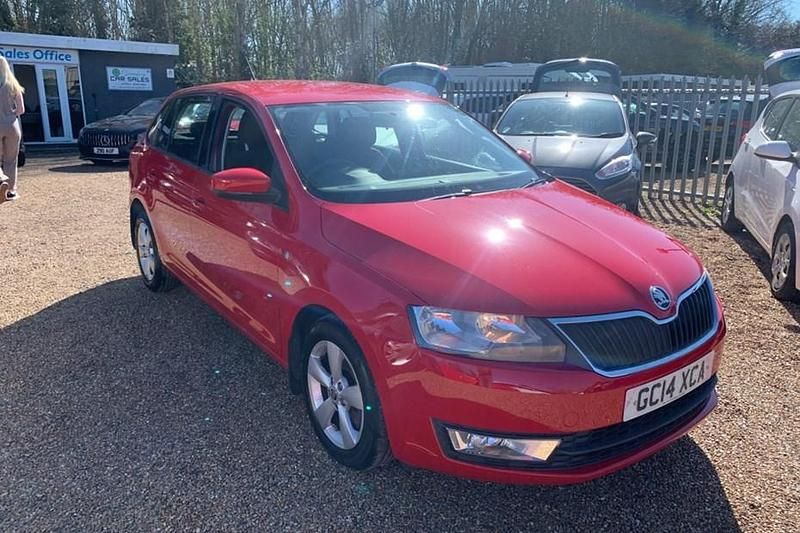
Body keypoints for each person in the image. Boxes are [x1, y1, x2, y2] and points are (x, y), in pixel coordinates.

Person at [0, 56, 24, 203]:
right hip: (12, 126)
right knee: (11, 159)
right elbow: (21, 109)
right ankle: (11, 191)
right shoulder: (13, 85)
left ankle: (1, 180)